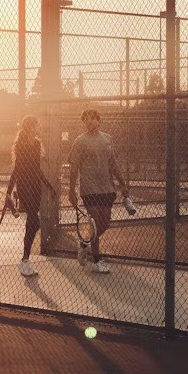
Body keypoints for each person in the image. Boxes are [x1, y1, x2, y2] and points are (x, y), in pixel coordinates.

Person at [68, 108, 129, 274]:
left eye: (92, 118)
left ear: (98, 120)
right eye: (86, 119)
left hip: (107, 187)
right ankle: (96, 260)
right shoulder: (79, 141)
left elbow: (114, 164)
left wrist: (123, 184)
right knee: (94, 222)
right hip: (89, 188)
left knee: (105, 223)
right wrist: (71, 190)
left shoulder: (107, 139)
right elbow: (74, 168)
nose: (89, 121)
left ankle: (84, 244)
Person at [5, 115, 56, 277]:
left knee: (32, 222)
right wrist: (9, 190)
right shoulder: (20, 145)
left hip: (35, 186)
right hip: (24, 186)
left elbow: (37, 169)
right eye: (35, 125)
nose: (38, 127)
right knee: (35, 221)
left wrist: (48, 186)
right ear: (29, 126)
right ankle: (25, 259)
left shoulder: (36, 144)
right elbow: (17, 169)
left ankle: (25, 260)